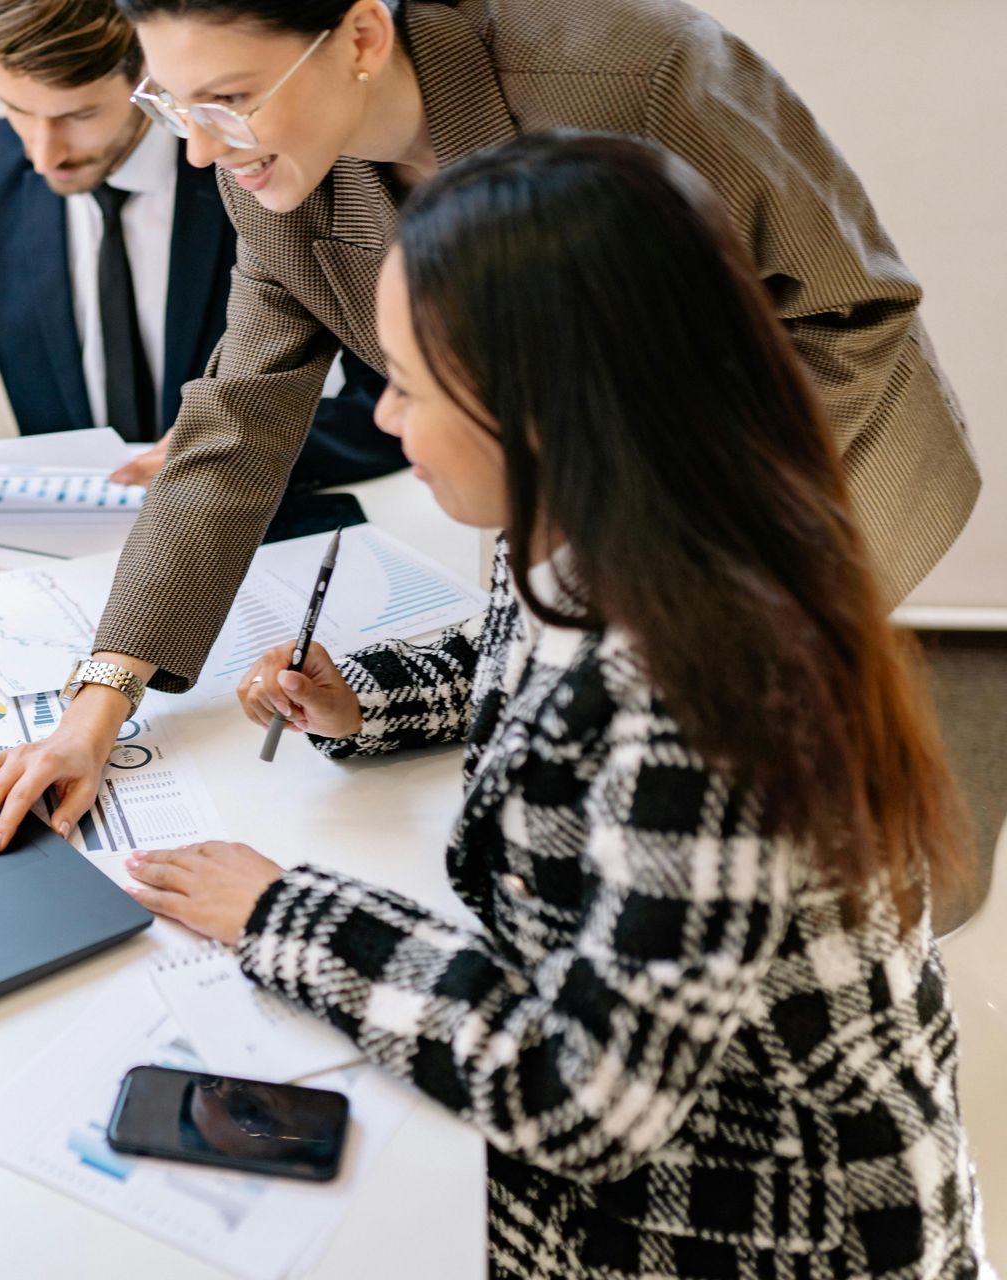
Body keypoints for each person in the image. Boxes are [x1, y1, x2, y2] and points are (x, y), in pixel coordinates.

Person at [137, 133, 984, 1279]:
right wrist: (366, 693)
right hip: (663, 1123)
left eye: (412, 384)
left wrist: (283, 913)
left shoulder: (712, 685)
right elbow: (531, 654)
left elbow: (582, 1095)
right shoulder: (610, 520)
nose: (384, 417)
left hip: (775, 1220)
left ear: (542, 403)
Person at [0, 0, 981, 852]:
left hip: (801, 466)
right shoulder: (274, 174)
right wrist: (98, 701)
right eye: (173, 107)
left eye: (231, 100)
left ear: (359, 37)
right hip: (576, 499)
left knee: (719, 801)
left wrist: (693, 567)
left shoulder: (642, 70)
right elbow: (236, 426)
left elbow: (850, 312)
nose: (202, 153)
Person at [0, 0, 402, 510]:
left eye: (79, 115)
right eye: (17, 111)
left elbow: (388, 402)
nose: (44, 155)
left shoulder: (258, 166)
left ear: (150, 76)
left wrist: (230, 452)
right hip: (64, 541)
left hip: (252, 530)